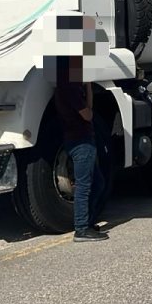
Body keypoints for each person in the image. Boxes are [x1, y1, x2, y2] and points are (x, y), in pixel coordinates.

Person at [54, 57, 108, 242]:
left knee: (98, 183)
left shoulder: (71, 86)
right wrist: (87, 93)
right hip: (80, 142)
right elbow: (87, 114)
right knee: (84, 185)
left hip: (82, 140)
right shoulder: (69, 89)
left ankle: (88, 222)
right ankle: (81, 228)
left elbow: (89, 109)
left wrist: (88, 86)